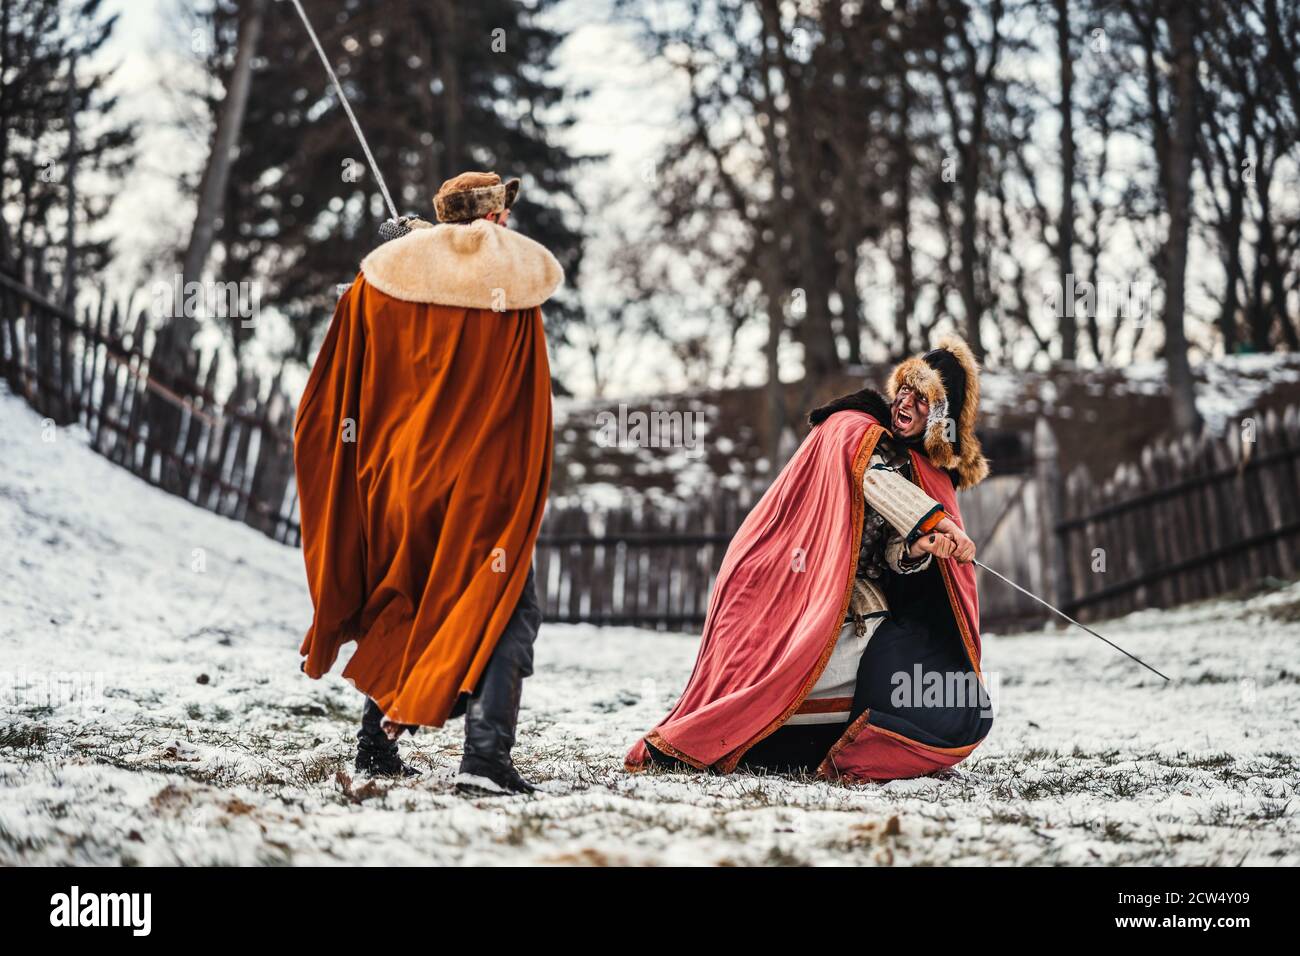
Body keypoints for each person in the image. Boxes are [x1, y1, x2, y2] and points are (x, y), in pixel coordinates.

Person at [294, 171, 562, 795]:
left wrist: (403, 256)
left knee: (408, 599)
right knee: (507, 609)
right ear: (495, 219)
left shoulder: (381, 281)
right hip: (477, 486)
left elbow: (337, 381)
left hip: (396, 481)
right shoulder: (513, 282)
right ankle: (486, 761)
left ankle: (374, 747)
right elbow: (519, 393)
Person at [626, 335, 992, 783]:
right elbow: (870, 479)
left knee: (900, 659)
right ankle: (711, 737)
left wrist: (919, 547)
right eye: (906, 390)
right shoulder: (854, 426)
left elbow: (889, 552)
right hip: (792, 576)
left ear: (939, 422)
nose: (905, 403)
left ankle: (813, 744)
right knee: (771, 668)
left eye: (923, 401)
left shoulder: (924, 469)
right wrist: (931, 521)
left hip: (849, 590)